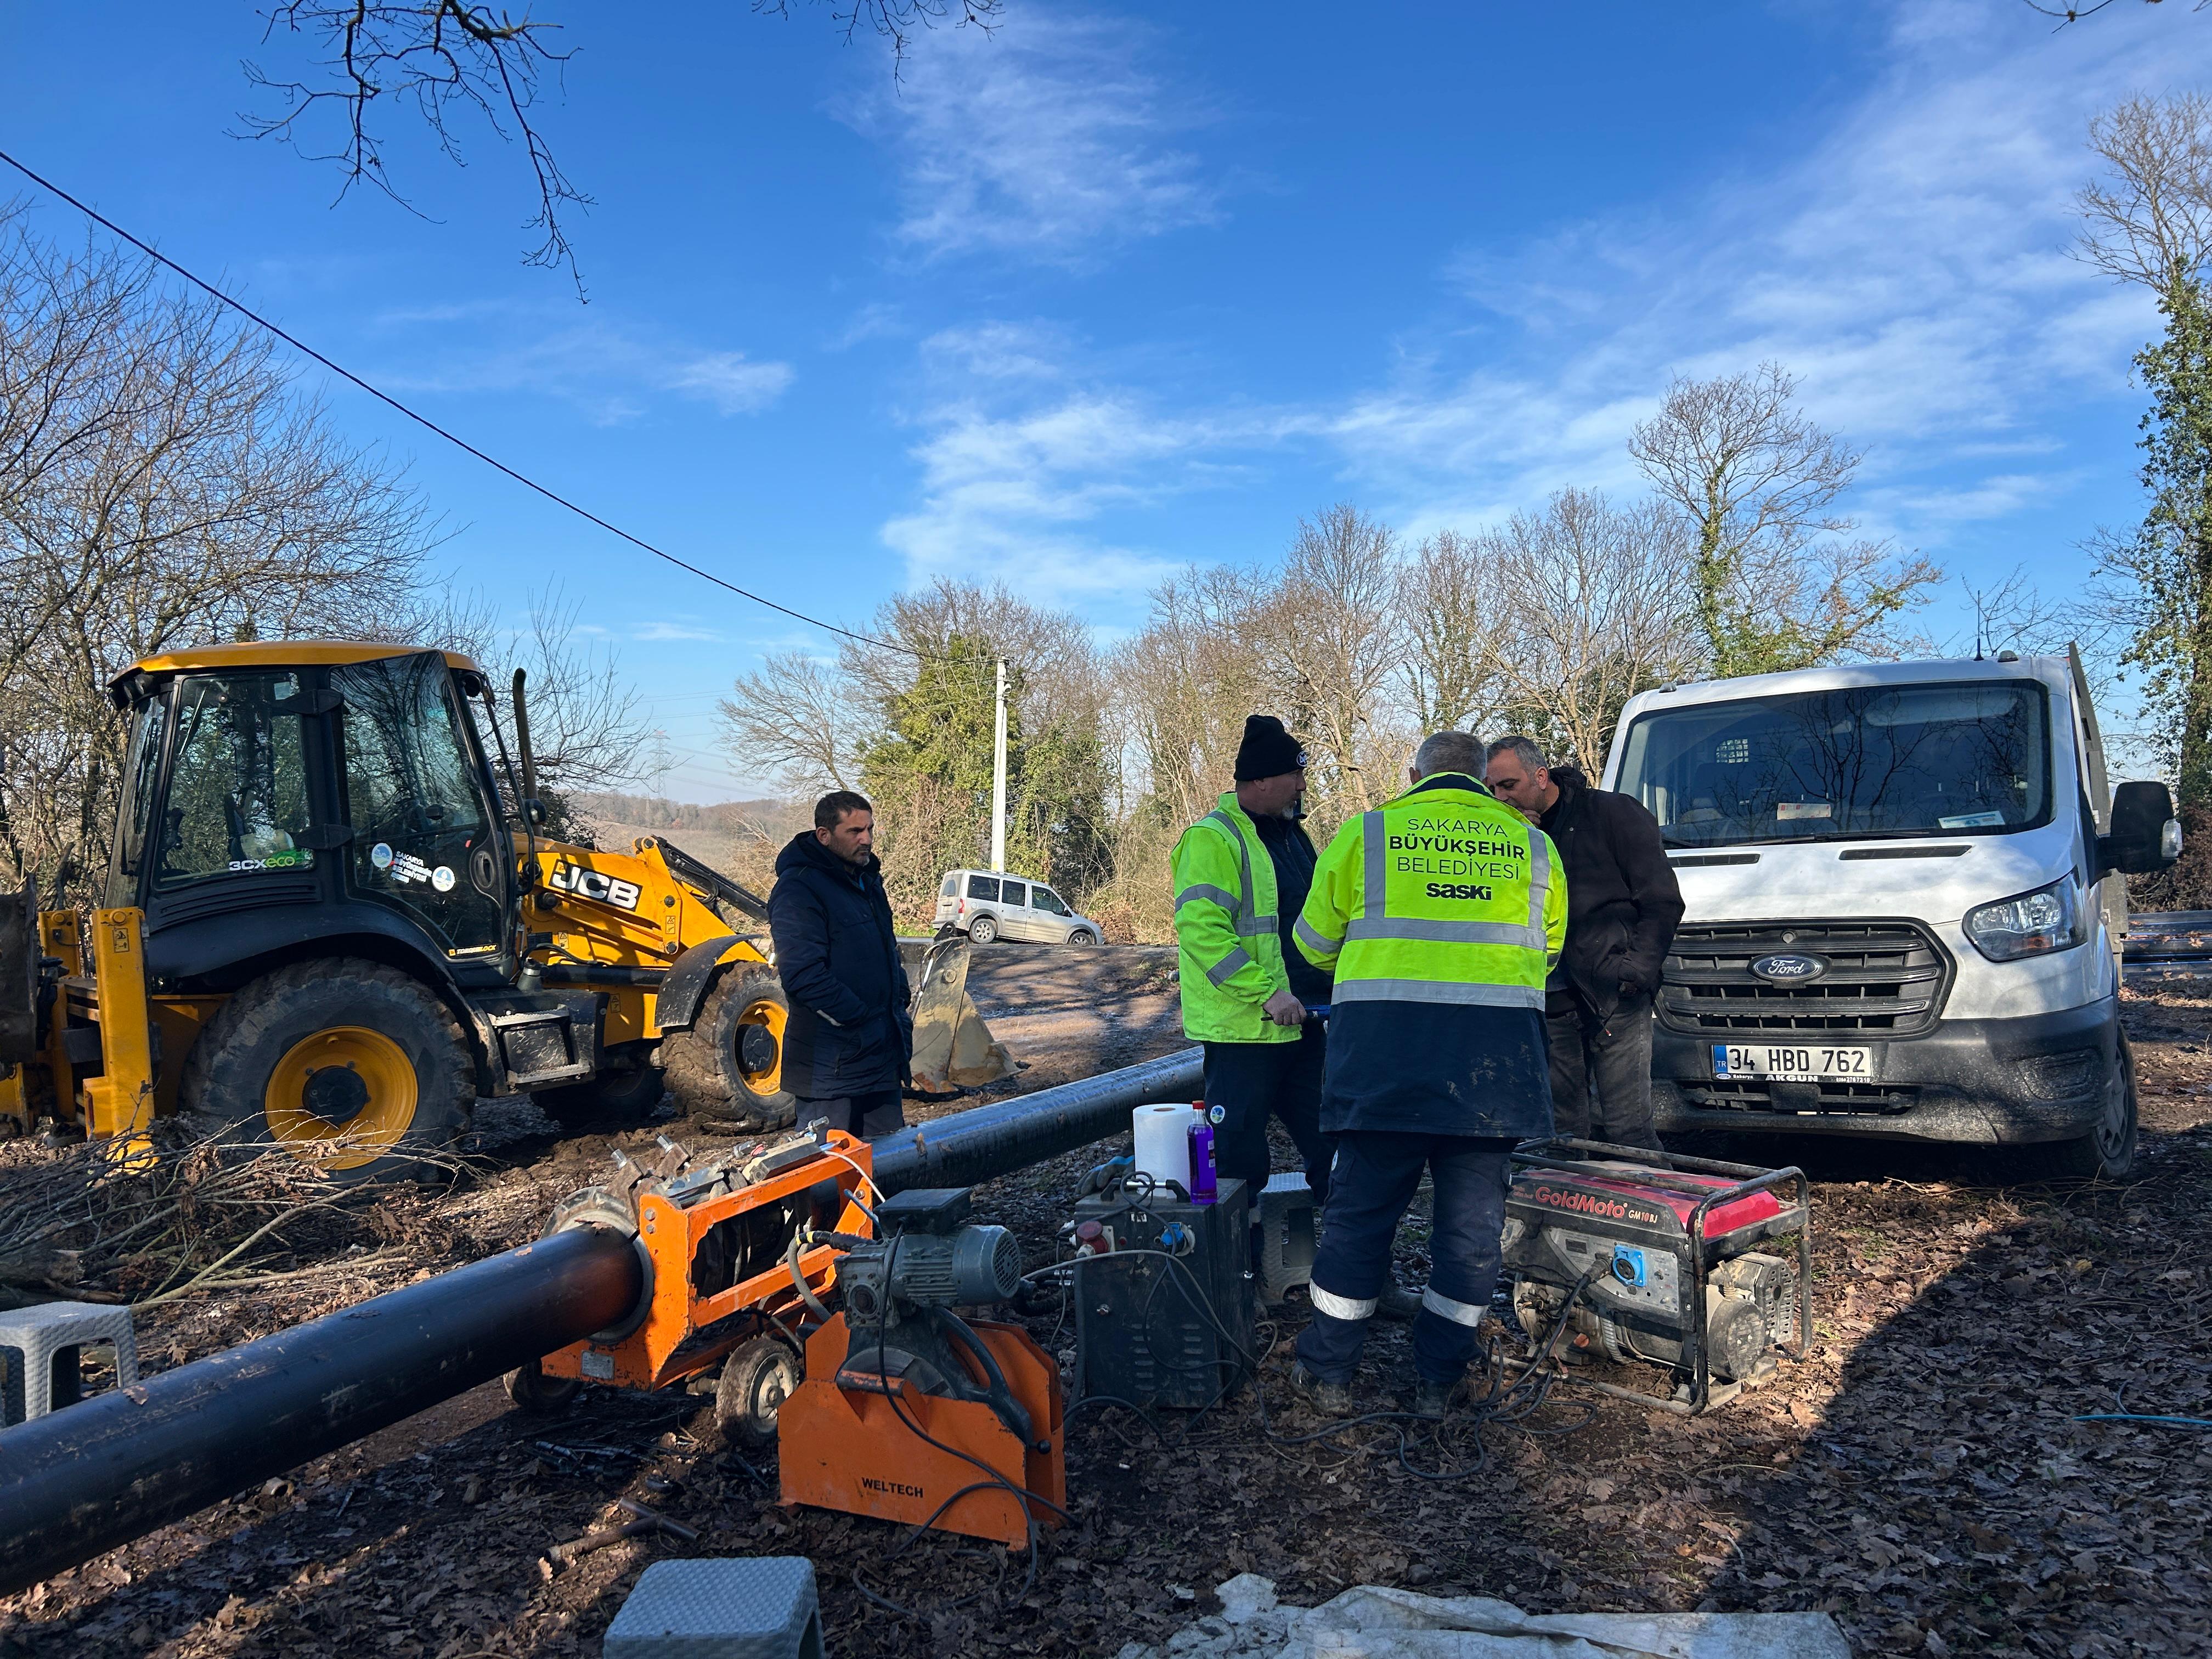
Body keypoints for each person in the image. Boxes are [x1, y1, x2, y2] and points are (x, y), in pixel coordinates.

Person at [1288, 730, 1566, 1417]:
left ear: (1413, 774)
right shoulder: (1533, 845)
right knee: (1471, 1234)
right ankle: (1439, 1381)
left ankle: (1327, 1374)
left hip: (1385, 1060)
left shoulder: (1368, 834)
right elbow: (1549, 954)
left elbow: (1312, 945)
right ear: (1482, 777)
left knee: (1360, 1219)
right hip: (1492, 1071)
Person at [1170, 714, 1336, 1222]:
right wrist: (1267, 993)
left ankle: (1348, 1275)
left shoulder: (1293, 836)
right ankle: (1239, 1284)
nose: (1304, 786)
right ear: (1261, 780)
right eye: (1295, 775)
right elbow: (1201, 930)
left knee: (1338, 1150)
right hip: (1246, 1031)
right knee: (1237, 1168)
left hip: (1304, 1023)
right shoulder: (1213, 839)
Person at [1485, 735, 1683, 1153]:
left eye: (1508, 785)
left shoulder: (1612, 813)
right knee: (1561, 1136)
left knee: (1630, 1132)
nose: (1500, 797)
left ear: (1541, 777)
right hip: (1549, 1002)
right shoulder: (1505, 832)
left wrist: (1634, 973)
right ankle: (1565, 1217)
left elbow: (1662, 901)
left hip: (1616, 996)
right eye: (1491, 789)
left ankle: (1652, 1214)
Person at [769, 789, 913, 1140]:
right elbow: (803, 975)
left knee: (890, 1171)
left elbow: (885, 950)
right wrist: (858, 1019)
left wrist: (899, 1001)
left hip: (880, 1059)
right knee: (828, 1181)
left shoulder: (866, 881)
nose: (866, 840)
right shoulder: (798, 888)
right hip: (830, 1070)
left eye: (869, 830)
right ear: (824, 835)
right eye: (854, 832)